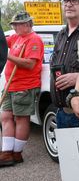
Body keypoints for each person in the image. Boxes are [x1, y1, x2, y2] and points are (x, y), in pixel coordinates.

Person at [0, 11, 44, 167]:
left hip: (24, 86)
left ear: (27, 24)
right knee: (5, 117)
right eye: (13, 25)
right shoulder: (17, 37)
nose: (14, 27)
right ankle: (6, 152)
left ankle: (16, 154)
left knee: (21, 119)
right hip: (10, 85)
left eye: (17, 25)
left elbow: (30, 64)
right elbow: (3, 42)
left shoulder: (34, 40)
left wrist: (7, 55)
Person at [50, 0, 79, 128]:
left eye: (74, 0)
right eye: (66, 0)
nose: (68, 4)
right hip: (61, 113)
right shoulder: (61, 35)